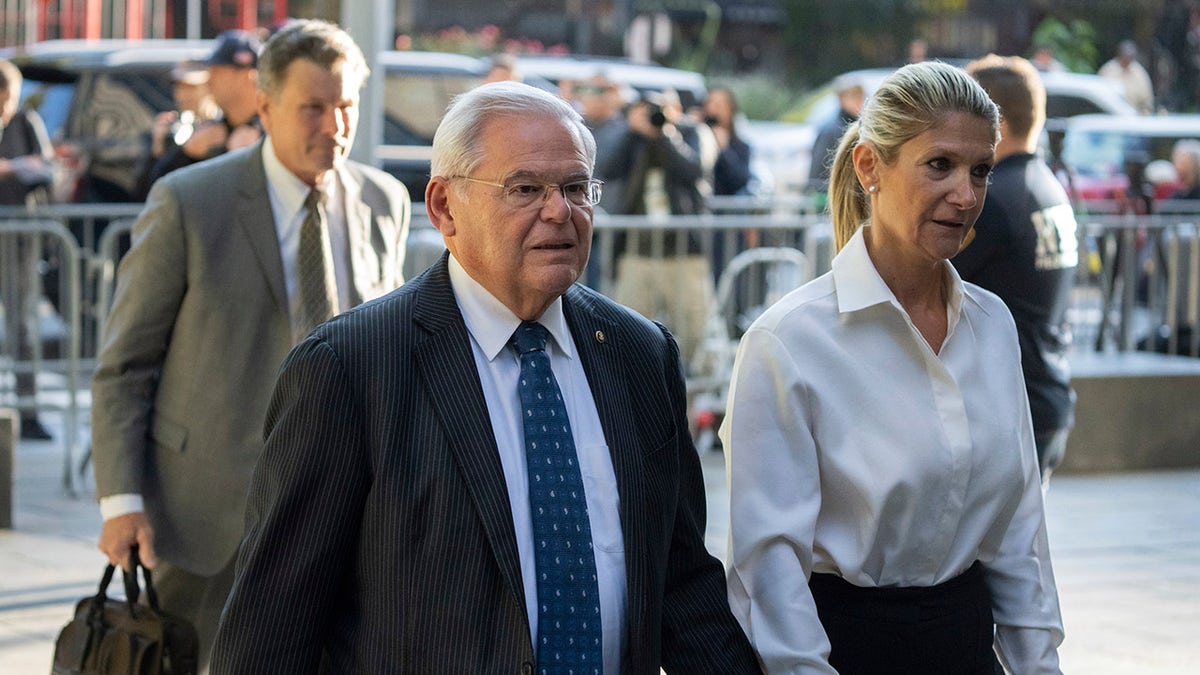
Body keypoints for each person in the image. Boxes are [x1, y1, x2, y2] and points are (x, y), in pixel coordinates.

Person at [210, 80, 759, 674]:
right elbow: (271, 632)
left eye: (576, 187)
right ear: (445, 207)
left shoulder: (637, 354)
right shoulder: (350, 369)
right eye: (525, 189)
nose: (560, 211)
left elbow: (681, 585)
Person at [722, 62, 1064, 673]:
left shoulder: (993, 325)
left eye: (980, 170)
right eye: (940, 165)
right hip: (848, 653)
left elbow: (1018, 535)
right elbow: (769, 570)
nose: (965, 195)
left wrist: (1039, 665)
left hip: (966, 647)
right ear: (869, 167)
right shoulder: (789, 341)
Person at [91, 19, 410, 669]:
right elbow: (125, 364)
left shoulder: (384, 201)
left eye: (345, 106)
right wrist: (121, 501)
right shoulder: (190, 200)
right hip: (205, 513)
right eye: (313, 108)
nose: (334, 126)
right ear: (264, 106)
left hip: (343, 508)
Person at [954, 55, 1079, 486]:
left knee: (992, 554)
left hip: (1012, 407)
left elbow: (928, 276)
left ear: (995, 121)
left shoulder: (997, 197)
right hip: (1045, 397)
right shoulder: (1045, 185)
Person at [606, 87, 717, 369]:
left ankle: (694, 398)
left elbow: (694, 169)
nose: (655, 115)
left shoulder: (692, 132)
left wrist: (666, 133)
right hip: (637, 251)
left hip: (684, 250)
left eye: (661, 108)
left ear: (675, 109)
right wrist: (633, 132)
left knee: (694, 332)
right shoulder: (633, 138)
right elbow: (606, 168)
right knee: (628, 332)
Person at [0, 57, 55, 440]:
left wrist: (13, 167)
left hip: (20, 236)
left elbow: (46, 167)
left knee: (23, 325)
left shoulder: (25, 123)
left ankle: (28, 410)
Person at [145, 30, 263, 187]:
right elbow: (159, 187)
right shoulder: (209, 132)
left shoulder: (271, 130)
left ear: (246, 76)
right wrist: (188, 153)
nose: (209, 78)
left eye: (219, 71)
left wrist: (253, 156)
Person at [135, 61, 219, 199]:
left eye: (191, 87)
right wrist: (157, 148)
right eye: (178, 88)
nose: (183, 95)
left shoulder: (224, 127)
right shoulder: (172, 131)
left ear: (209, 87)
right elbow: (145, 192)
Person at [808, 74, 864, 195]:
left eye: (861, 95)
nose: (859, 100)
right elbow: (817, 173)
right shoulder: (830, 130)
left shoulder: (862, 125)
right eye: (854, 96)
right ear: (841, 99)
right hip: (832, 195)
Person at [701, 87, 753, 198]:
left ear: (730, 110)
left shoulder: (740, 146)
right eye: (708, 104)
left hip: (723, 210)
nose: (712, 110)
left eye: (718, 106)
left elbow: (740, 181)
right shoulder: (695, 137)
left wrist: (725, 149)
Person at [1099, 39, 1155, 113]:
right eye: (1124, 55)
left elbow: (1147, 101)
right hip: (1111, 117)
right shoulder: (1108, 71)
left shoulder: (1140, 73)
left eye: (1130, 56)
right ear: (1119, 54)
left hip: (1134, 118)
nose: (1126, 59)